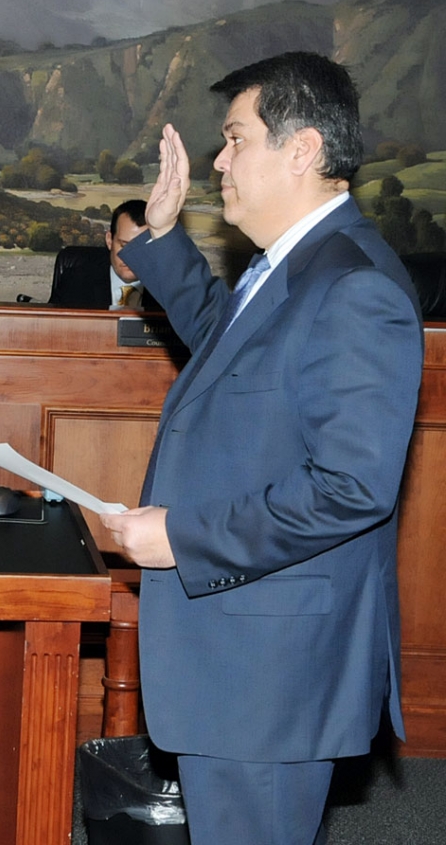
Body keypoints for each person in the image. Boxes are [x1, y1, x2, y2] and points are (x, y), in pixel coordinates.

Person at [99, 51, 424, 845]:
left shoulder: (354, 286)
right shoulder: (299, 266)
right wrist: (165, 237)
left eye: (236, 138)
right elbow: (226, 348)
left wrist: (180, 535)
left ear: (303, 149)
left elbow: (352, 486)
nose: (219, 161)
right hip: (245, 657)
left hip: (272, 669)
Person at [49, 199, 160, 310]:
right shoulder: (76, 282)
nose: (132, 257)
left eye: (142, 249)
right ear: (109, 241)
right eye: (124, 246)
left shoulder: (171, 289)